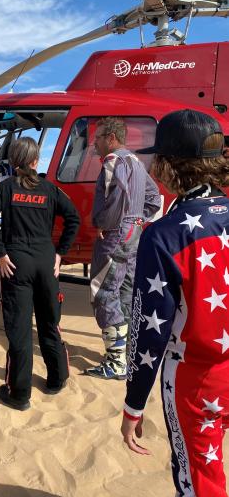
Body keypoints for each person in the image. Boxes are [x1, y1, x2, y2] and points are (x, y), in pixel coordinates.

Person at [121, 109, 229, 497]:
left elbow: (148, 333)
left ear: (167, 164)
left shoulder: (164, 234)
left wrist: (134, 406)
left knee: (201, 482)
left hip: (197, 381)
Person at [0, 137, 80, 410]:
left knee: (20, 330)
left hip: (16, 264)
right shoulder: (50, 189)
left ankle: (19, 393)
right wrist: (60, 253)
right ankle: (57, 379)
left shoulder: (6, 188)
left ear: (13, 161)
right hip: (46, 263)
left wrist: (0, 253)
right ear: (36, 161)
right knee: (50, 322)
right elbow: (74, 217)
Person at [85, 117, 161, 380]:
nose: (94, 142)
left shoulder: (113, 161)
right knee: (126, 289)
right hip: (134, 232)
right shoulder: (137, 163)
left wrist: (103, 223)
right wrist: (139, 218)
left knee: (103, 289)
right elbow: (152, 197)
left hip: (116, 232)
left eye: (98, 137)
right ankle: (127, 352)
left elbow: (115, 196)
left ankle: (116, 362)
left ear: (112, 138)